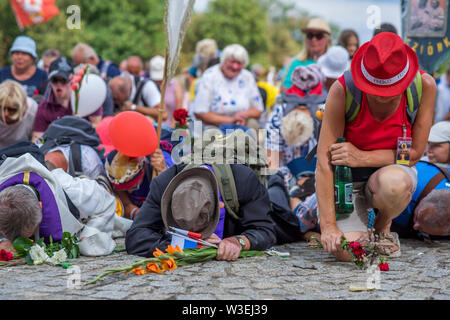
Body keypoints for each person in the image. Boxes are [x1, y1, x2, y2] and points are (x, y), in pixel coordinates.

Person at [315, 32, 436, 261]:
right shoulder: (343, 90)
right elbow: (324, 162)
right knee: (348, 252)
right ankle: (355, 226)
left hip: (391, 174)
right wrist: (329, 225)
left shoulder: (424, 86)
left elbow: (413, 155)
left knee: (393, 185)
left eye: (389, 93)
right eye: (376, 91)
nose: (382, 98)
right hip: (348, 182)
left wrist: (361, 157)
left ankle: (382, 226)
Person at [125, 164, 277, 260]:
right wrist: (183, 244)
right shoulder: (163, 185)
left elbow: (265, 230)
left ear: (220, 206)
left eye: (202, 225)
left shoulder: (243, 180)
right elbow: (136, 236)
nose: (196, 233)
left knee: (280, 199)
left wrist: (238, 241)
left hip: (273, 209)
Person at [0, 153, 132, 256]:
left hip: (86, 209)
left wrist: (90, 233)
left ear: (41, 206)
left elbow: (107, 202)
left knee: (114, 233)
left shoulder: (71, 190)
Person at [266, 64, 326, 192]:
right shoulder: (277, 117)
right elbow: (273, 163)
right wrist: (288, 182)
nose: (298, 148)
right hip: (287, 174)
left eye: (302, 143)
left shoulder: (324, 116)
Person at [190, 44, 264, 133]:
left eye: (239, 63)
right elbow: (200, 112)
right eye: (232, 62)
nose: (235, 66)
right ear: (223, 60)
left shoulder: (247, 77)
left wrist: (242, 116)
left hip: (241, 123)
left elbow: (258, 109)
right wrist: (231, 119)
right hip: (214, 125)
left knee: (253, 124)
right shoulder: (209, 76)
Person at [31, 57, 103, 141]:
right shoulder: (44, 107)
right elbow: (37, 139)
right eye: (55, 80)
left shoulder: (87, 97)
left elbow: (98, 129)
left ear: (72, 79)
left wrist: (81, 125)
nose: (59, 84)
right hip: (55, 148)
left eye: (63, 80)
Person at [281, 18, 332, 91]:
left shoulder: (332, 65)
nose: (314, 39)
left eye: (319, 36)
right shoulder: (296, 63)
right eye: (310, 35)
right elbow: (284, 89)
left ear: (327, 39)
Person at [0, 80, 38, 149]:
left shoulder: (33, 111)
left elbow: (39, 141)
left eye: (12, 109)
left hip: (25, 154)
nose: (5, 114)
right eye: (1, 108)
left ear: (23, 106)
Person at [149, 55, 183, 127]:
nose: (158, 81)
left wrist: (172, 127)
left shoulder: (175, 84)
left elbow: (179, 109)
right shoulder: (148, 85)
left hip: (172, 127)